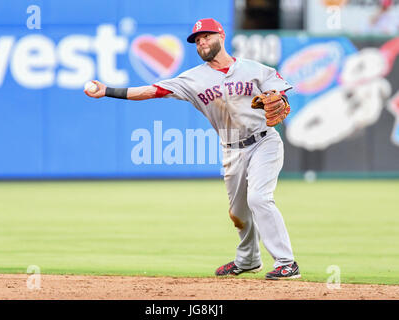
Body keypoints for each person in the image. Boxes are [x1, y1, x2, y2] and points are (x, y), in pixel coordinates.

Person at [84, 18, 300, 280]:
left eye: (206, 37)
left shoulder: (254, 69)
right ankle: (248, 260)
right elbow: (153, 90)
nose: (201, 43)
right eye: (197, 40)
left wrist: (281, 98)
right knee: (238, 213)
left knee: (258, 198)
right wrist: (107, 90)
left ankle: (287, 263)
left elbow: (279, 92)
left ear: (221, 35)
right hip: (232, 148)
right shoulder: (193, 79)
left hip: (264, 141)